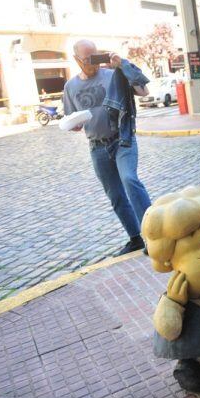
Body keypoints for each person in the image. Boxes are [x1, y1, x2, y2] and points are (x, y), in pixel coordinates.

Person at [63, 39, 152, 255]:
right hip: (97, 146)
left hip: (122, 139)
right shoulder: (70, 87)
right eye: (87, 59)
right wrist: (74, 125)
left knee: (130, 180)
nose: (93, 63)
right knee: (115, 195)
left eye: (96, 57)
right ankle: (135, 238)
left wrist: (122, 64)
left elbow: (144, 91)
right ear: (76, 60)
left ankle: (155, 235)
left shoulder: (113, 74)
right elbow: (70, 117)